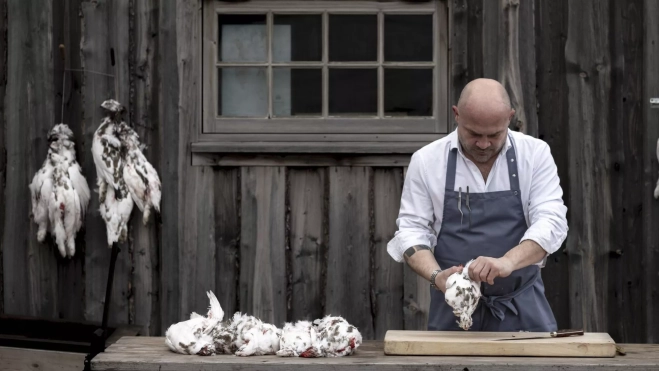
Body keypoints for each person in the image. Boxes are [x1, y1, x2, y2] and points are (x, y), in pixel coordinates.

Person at [387, 78, 568, 332]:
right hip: (453, 312)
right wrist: (437, 276)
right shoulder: (427, 161)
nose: (483, 144)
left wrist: (507, 262)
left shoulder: (535, 155)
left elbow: (552, 222)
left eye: (494, 135)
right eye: (473, 134)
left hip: (523, 311)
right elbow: (411, 232)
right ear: (456, 115)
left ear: (510, 117)